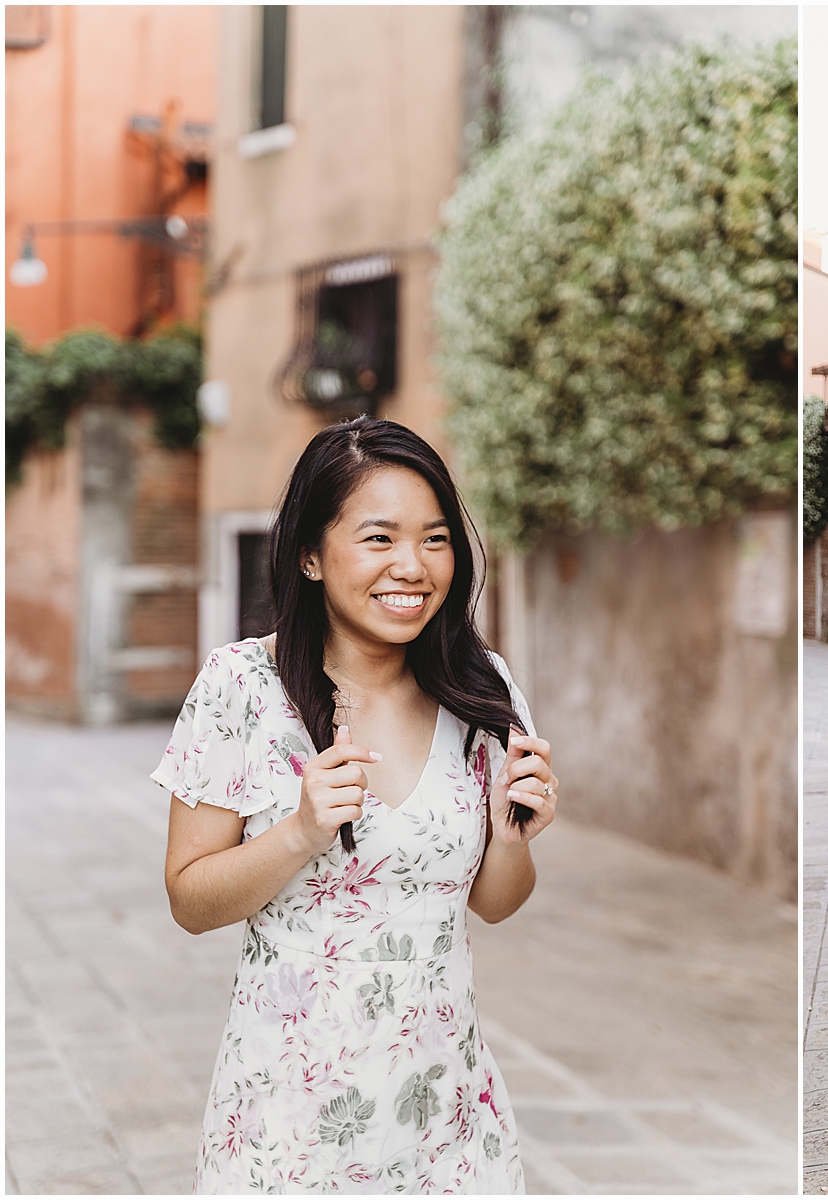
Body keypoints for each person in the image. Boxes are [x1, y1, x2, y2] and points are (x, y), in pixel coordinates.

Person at [157, 417, 559, 1193]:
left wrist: (513, 840)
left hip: (447, 1114)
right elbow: (190, 901)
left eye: (435, 539)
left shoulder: (483, 689)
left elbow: (493, 905)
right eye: (379, 539)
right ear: (310, 554)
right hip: (289, 1122)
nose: (412, 566)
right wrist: (300, 833)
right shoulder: (242, 687)